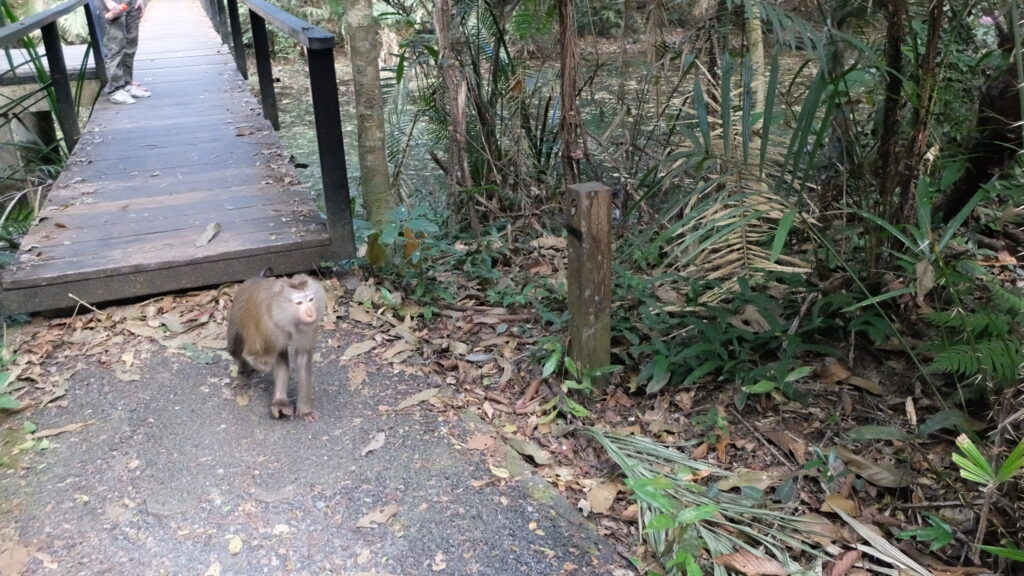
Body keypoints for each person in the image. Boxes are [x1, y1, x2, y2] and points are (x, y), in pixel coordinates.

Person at [101, 0, 151, 104]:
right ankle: (115, 89)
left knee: (130, 44)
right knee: (116, 46)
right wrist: (108, 2)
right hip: (113, 4)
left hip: (131, 3)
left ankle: (126, 84)